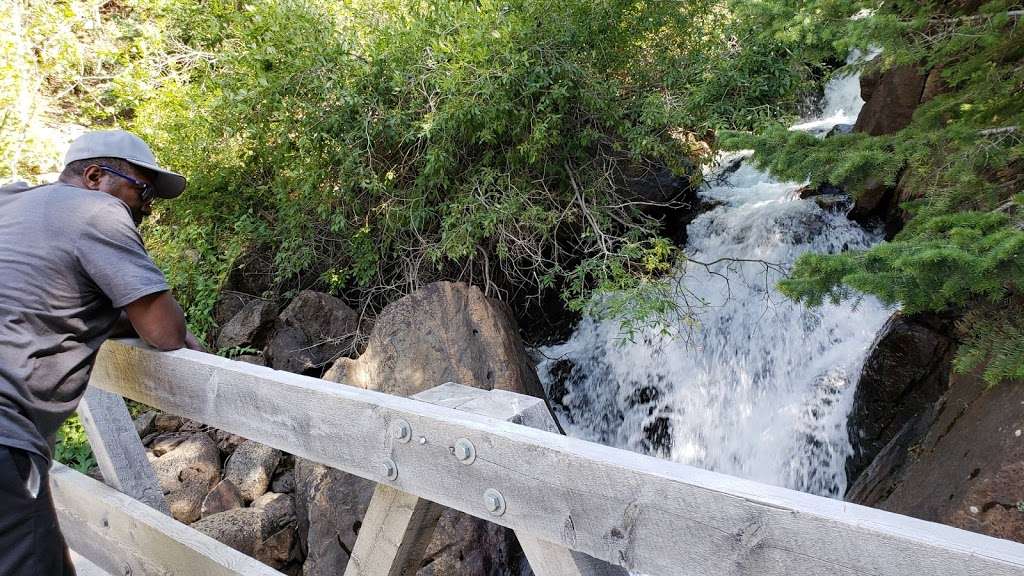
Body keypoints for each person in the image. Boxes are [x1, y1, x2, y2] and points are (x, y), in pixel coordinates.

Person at [0, 130, 203, 575]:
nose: (148, 206)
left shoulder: (11, 201)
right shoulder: (98, 212)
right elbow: (166, 332)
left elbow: (45, 297)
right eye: (143, 190)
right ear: (94, 176)